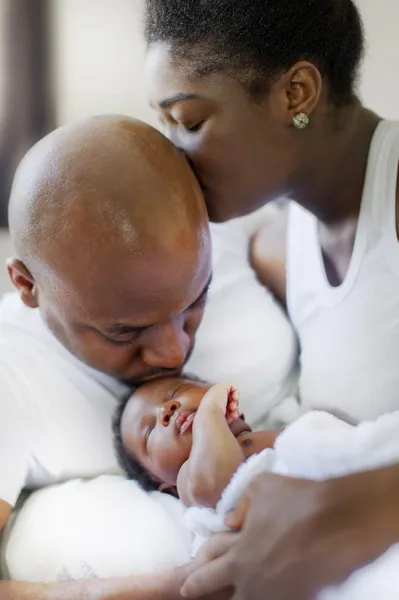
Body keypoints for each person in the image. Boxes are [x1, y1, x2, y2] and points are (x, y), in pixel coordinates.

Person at [143, 0, 399, 598]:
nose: (175, 152)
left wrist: (351, 510)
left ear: (296, 93)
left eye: (189, 120)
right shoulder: (281, 249)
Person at [0, 114, 225, 599]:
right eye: (125, 331)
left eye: (195, 302)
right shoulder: (9, 375)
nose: (174, 350)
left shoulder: (218, 238)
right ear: (28, 286)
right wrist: (181, 586)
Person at [113, 377, 281, 507]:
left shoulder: (282, 430)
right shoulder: (190, 479)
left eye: (175, 393)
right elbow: (215, 484)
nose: (166, 410)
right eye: (149, 432)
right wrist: (210, 410)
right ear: (170, 488)